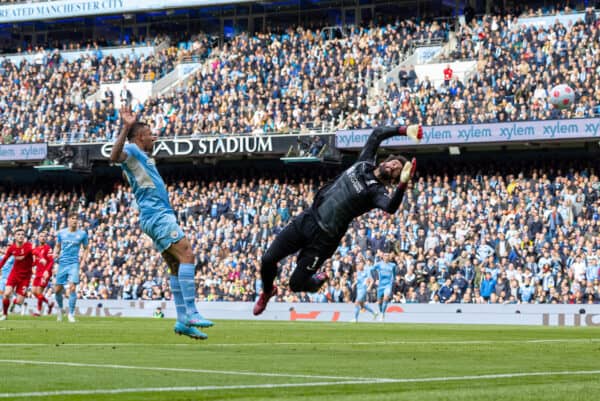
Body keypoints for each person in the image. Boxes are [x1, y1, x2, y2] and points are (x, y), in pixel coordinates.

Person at [254, 124, 422, 315]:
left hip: (324, 240)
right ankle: (267, 292)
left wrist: (403, 184)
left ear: (393, 178)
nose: (392, 167)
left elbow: (391, 207)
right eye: (393, 163)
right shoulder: (365, 162)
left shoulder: (377, 192)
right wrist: (404, 130)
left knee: (296, 284)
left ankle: (316, 281)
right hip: (308, 220)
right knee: (268, 259)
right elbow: (377, 134)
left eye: (396, 170)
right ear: (386, 160)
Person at [110, 106, 213, 340]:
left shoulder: (142, 158)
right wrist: (126, 127)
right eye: (149, 134)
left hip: (155, 216)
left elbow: (129, 172)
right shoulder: (132, 150)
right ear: (139, 137)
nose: (153, 136)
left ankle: (182, 321)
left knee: (176, 266)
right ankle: (192, 312)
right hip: (157, 216)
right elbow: (114, 157)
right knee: (187, 254)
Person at [54, 213, 89, 323]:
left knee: (72, 287)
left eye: (76, 219)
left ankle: (71, 314)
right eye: (72, 218)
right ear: (68, 220)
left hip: (74, 263)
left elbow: (86, 248)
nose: (74, 221)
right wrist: (55, 253)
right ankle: (60, 309)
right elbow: (58, 246)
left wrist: (83, 260)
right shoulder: (61, 233)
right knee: (57, 290)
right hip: (62, 263)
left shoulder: (82, 234)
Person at [0, 228, 34, 320]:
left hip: (25, 277)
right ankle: (5, 314)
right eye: (18, 234)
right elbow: (5, 259)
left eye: (22, 234)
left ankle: (13, 303)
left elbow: (35, 252)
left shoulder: (28, 246)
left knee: (19, 301)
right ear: (15, 236)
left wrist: (41, 258)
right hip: (14, 274)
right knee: (6, 294)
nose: (20, 236)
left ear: (24, 236)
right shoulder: (12, 248)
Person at [32, 231, 55, 316]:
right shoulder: (37, 249)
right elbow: (35, 262)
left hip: (45, 273)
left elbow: (51, 261)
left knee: (39, 291)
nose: (43, 238)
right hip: (38, 273)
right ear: (38, 238)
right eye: (41, 236)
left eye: (44, 236)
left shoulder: (48, 248)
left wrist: (46, 271)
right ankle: (49, 303)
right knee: (34, 291)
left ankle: (38, 311)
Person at [371, 251, 397, 321]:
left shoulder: (393, 265)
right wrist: (375, 279)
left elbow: (394, 274)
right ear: (382, 257)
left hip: (388, 284)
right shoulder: (379, 264)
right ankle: (381, 312)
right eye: (385, 255)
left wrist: (394, 280)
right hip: (380, 285)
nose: (386, 257)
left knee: (386, 298)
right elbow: (371, 270)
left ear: (389, 257)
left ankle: (382, 314)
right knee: (379, 302)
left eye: (388, 256)